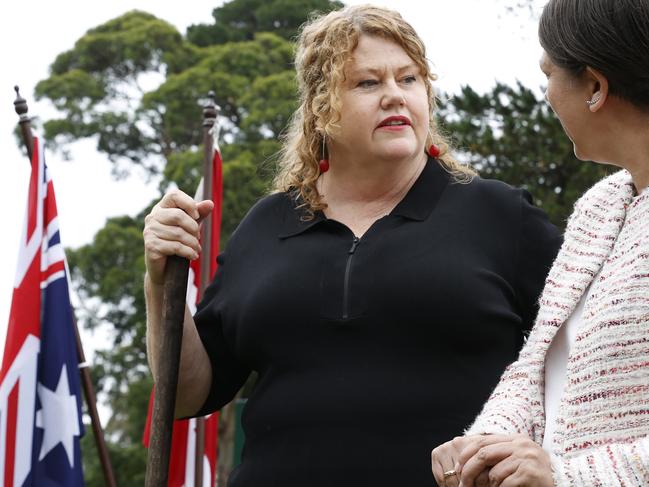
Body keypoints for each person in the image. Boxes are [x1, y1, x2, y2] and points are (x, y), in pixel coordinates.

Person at [144, 5, 561, 486]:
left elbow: (589, 359)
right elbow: (188, 394)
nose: (394, 97)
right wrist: (160, 281)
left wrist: (549, 461)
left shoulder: (499, 215)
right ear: (321, 109)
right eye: (368, 83)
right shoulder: (268, 225)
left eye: (409, 79)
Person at [431, 0, 649, 486]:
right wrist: (486, 444)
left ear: (595, 86)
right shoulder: (601, 206)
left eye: (548, 72)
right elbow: (538, 362)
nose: (546, 91)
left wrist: (567, 477)